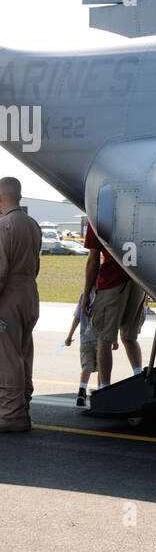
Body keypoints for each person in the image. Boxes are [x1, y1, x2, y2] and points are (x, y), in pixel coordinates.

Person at [83, 221, 147, 388]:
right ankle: (139, 376)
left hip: (112, 281)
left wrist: (86, 294)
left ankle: (104, 387)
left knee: (104, 338)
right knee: (129, 337)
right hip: (138, 279)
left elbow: (93, 259)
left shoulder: (99, 213)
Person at [0, 177, 42, 433]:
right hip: (29, 293)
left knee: (7, 355)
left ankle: (10, 414)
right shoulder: (32, 224)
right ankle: (23, 407)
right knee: (24, 352)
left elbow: (0, 271)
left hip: (9, 295)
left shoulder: (4, 226)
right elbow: (36, 265)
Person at [65, 288, 99, 406]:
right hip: (101, 339)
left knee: (87, 366)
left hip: (85, 338)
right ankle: (101, 391)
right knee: (102, 367)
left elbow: (77, 317)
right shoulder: (104, 296)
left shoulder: (84, 296)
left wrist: (69, 336)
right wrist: (114, 339)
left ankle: (82, 391)